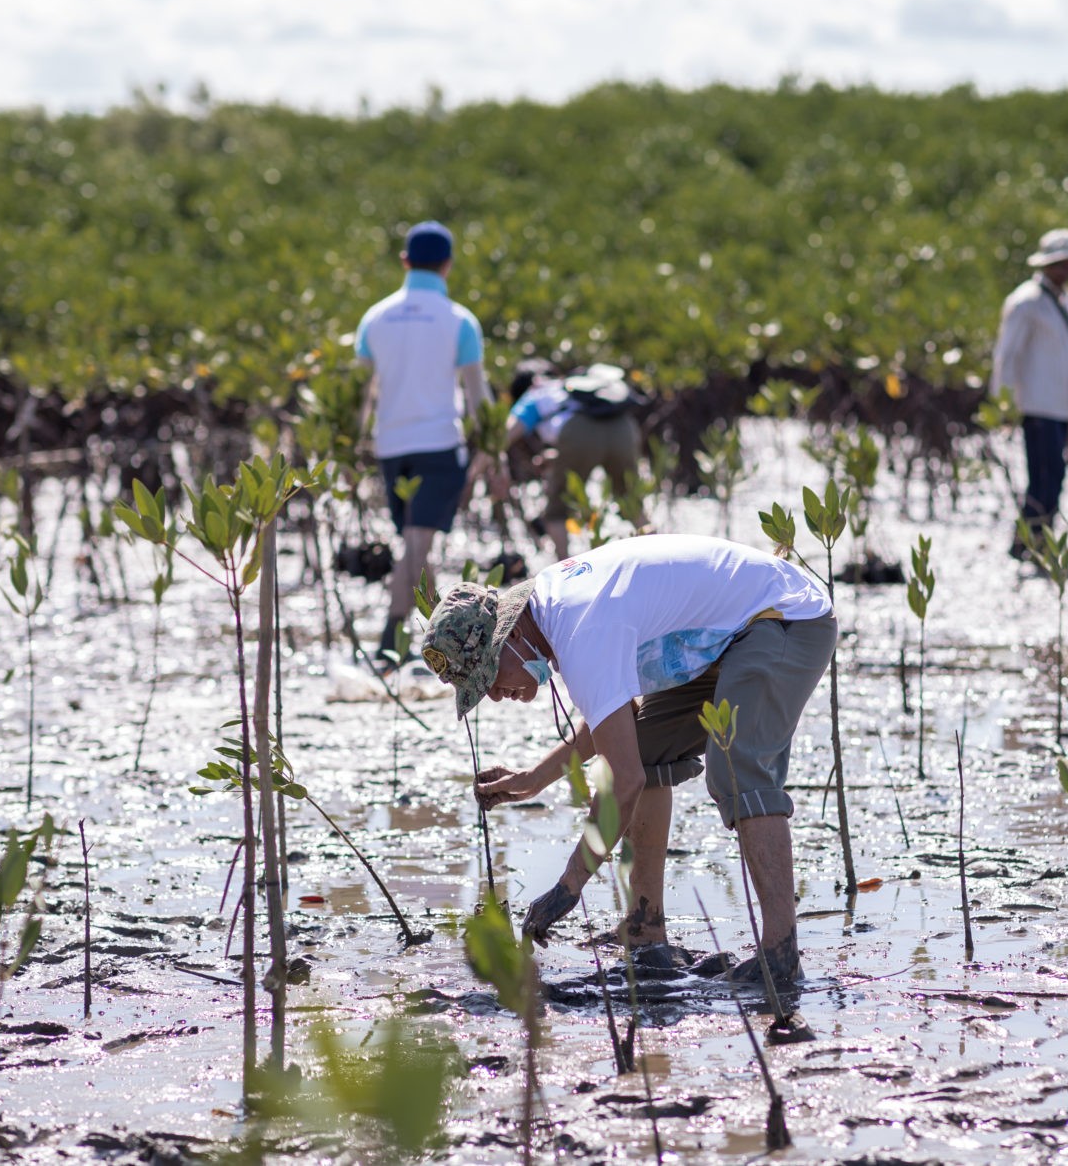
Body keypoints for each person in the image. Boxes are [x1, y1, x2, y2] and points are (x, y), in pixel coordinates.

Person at [418, 534, 835, 987]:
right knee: (648, 744)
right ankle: (646, 932)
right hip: (730, 634)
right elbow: (619, 722)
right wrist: (536, 779)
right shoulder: (556, 611)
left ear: (511, 635)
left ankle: (780, 954)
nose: (496, 695)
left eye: (490, 678)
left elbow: (624, 780)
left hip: (785, 617)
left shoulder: (581, 630)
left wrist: (569, 885)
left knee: (737, 767)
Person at [353, 220, 491, 658]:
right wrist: (491, 452)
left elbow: (360, 393)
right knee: (417, 544)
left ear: (405, 261)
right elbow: (478, 397)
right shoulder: (460, 322)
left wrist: (351, 449)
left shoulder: (374, 317)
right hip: (439, 447)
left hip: (390, 450)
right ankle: (391, 641)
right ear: (448, 266)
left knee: (416, 542)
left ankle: (436, 645)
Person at [990, 227, 1068, 558]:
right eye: (1059, 264)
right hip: (1036, 406)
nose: (1065, 270)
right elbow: (1007, 356)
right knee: (1044, 478)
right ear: (1046, 264)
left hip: (1061, 408)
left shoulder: (1065, 302)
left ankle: (1035, 542)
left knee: (1055, 477)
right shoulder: (1026, 302)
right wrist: (1002, 405)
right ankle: (1028, 544)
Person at [506, 361, 646, 560]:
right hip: (623, 427)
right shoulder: (573, 386)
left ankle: (564, 570)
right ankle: (663, 560)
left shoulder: (533, 396)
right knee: (631, 502)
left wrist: (473, 474)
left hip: (579, 433)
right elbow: (595, 439)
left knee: (556, 512)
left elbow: (503, 437)